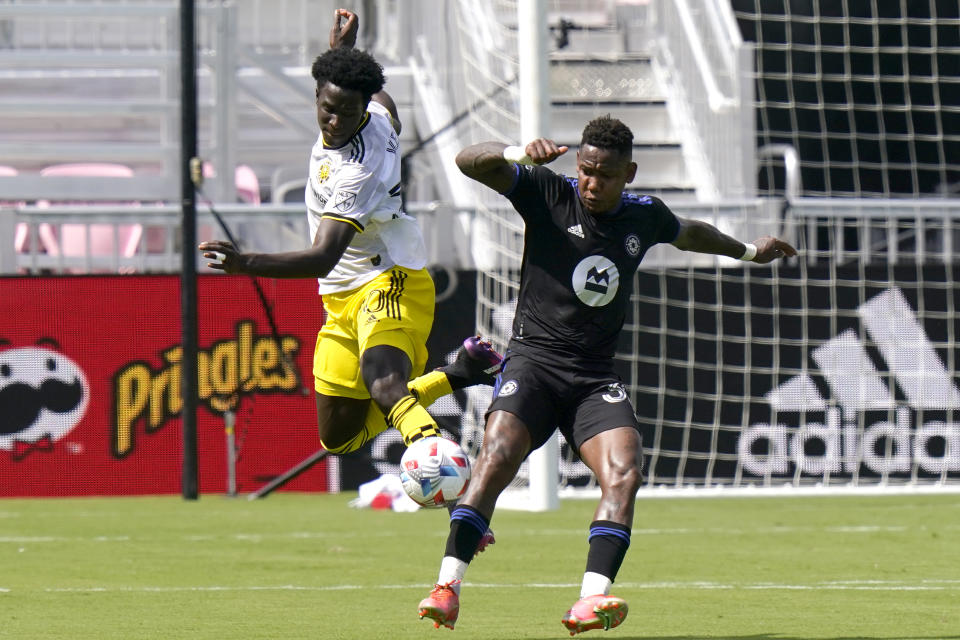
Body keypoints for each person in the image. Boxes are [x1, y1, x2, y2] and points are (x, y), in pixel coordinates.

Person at [417, 116, 797, 634]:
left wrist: (749, 251)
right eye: (587, 170)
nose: (592, 183)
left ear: (629, 174)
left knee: (625, 472)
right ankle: (447, 586)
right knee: (498, 454)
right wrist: (515, 154)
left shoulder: (645, 217)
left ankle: (590, 600)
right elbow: (467, 161)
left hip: (593, 378)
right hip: (534, 362)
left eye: (605, 174)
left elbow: (688, 234)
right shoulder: (547, 191)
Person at [197, 9, 501, 514]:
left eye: (346, 111)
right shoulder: (377, 110)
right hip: (341, 295)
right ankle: (462, 371)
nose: (334, 122)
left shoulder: (358, 172)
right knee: (338, 437)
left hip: (390, 276)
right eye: (327, 108)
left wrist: (244, 262)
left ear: (362, 109)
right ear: (318, 94)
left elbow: (322, 255)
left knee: (382, 377)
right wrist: (343, 52)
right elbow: (379, 92)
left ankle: (441, 466)